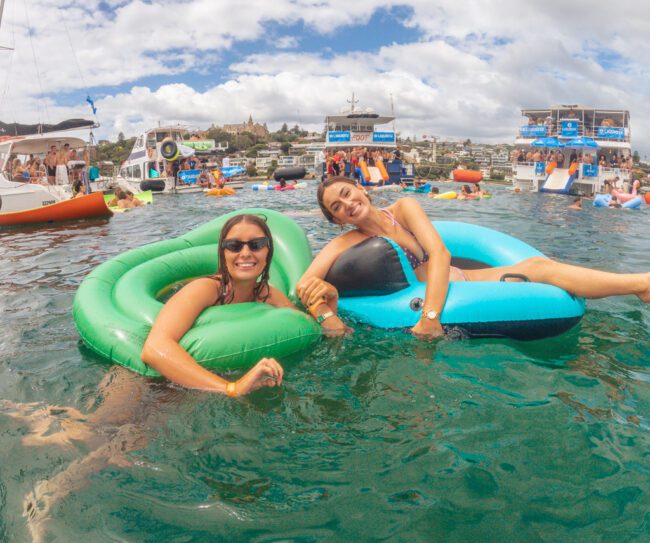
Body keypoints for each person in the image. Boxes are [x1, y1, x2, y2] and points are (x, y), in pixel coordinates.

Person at [296, 177, 650, 339]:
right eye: (336, 208)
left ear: (360, 187)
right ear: (338, 219)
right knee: (540, 270)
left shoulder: (403, 208)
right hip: (445, 295)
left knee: (538, 267)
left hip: (456, 282)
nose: (347, 205)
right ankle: (640, 284)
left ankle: (640, 284)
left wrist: (431, 317)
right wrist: (325, 304)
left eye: (346, 194)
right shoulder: (345, 242)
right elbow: (304, 284)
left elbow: (439, 252)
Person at [141, 214, 296, 394]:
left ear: (268, 251)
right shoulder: (205, 290)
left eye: (257, 244)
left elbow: (308, 328)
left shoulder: (268, 294)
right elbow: (154, 348)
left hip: (198, 391)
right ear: (223, 253)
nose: (245, 253)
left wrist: (324, 306)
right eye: (234, 246)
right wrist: (231, 388)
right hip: (148, 382)